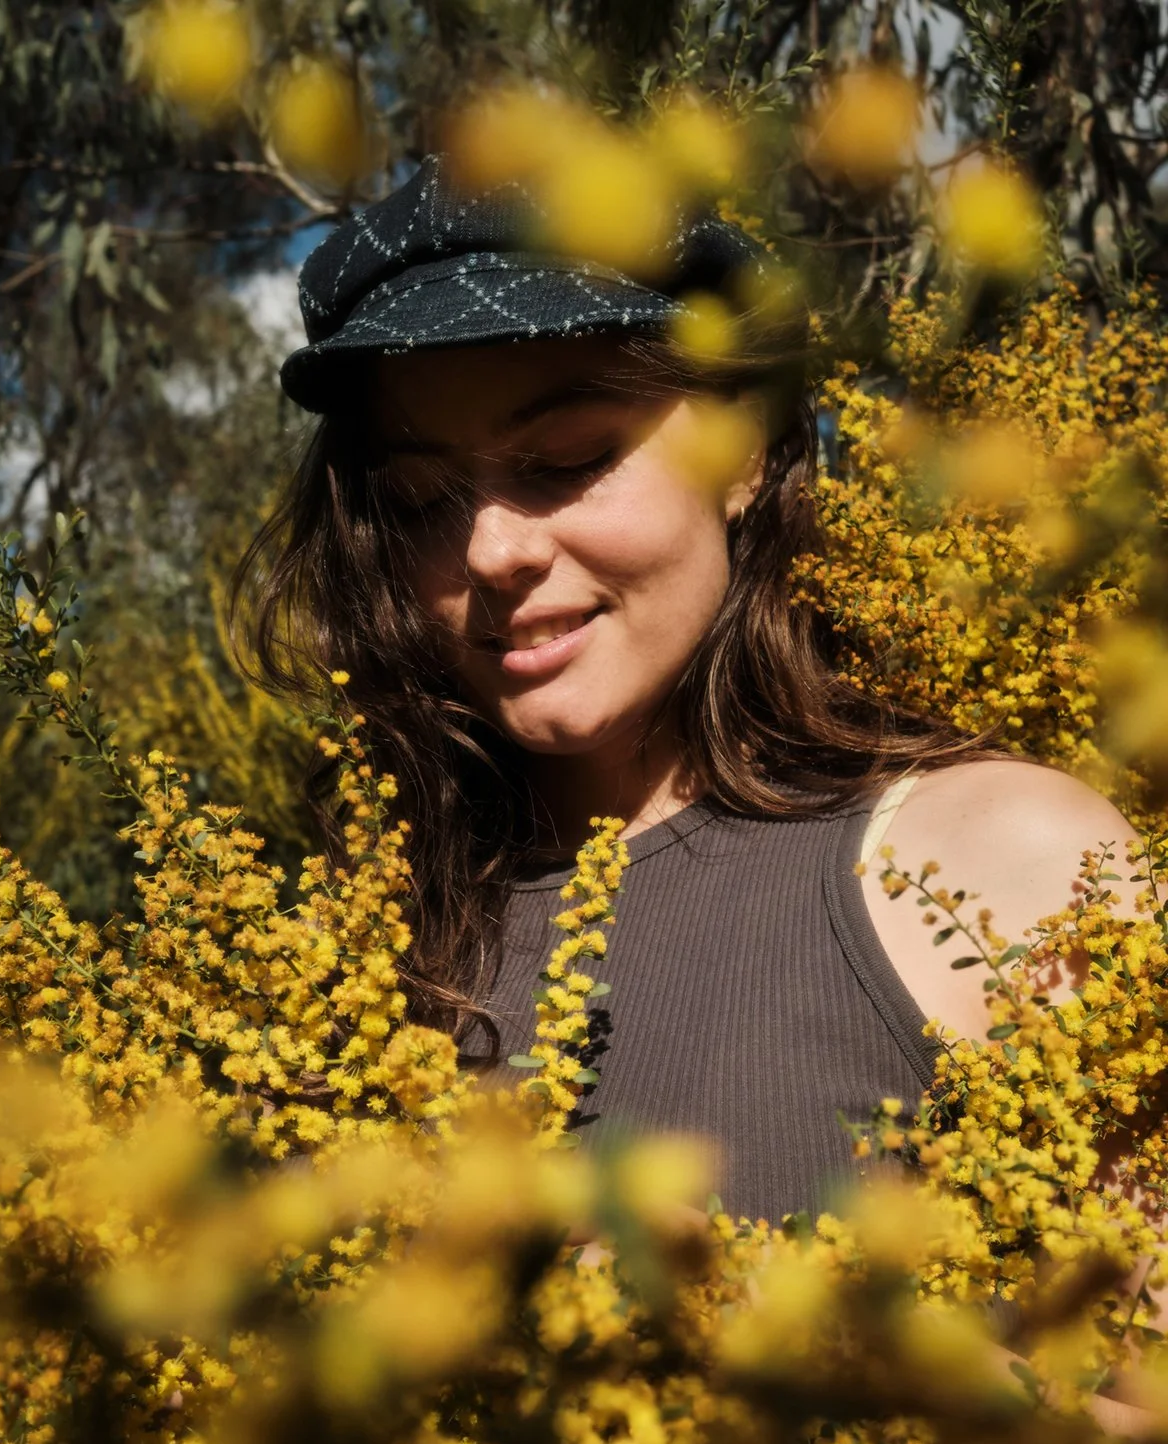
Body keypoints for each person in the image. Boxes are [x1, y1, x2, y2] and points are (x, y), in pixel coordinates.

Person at [233, 150, 1143, 1228]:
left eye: (565, 458)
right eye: (423, 496)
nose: (489, 551)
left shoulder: (1009, 869)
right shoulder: (334, 966)